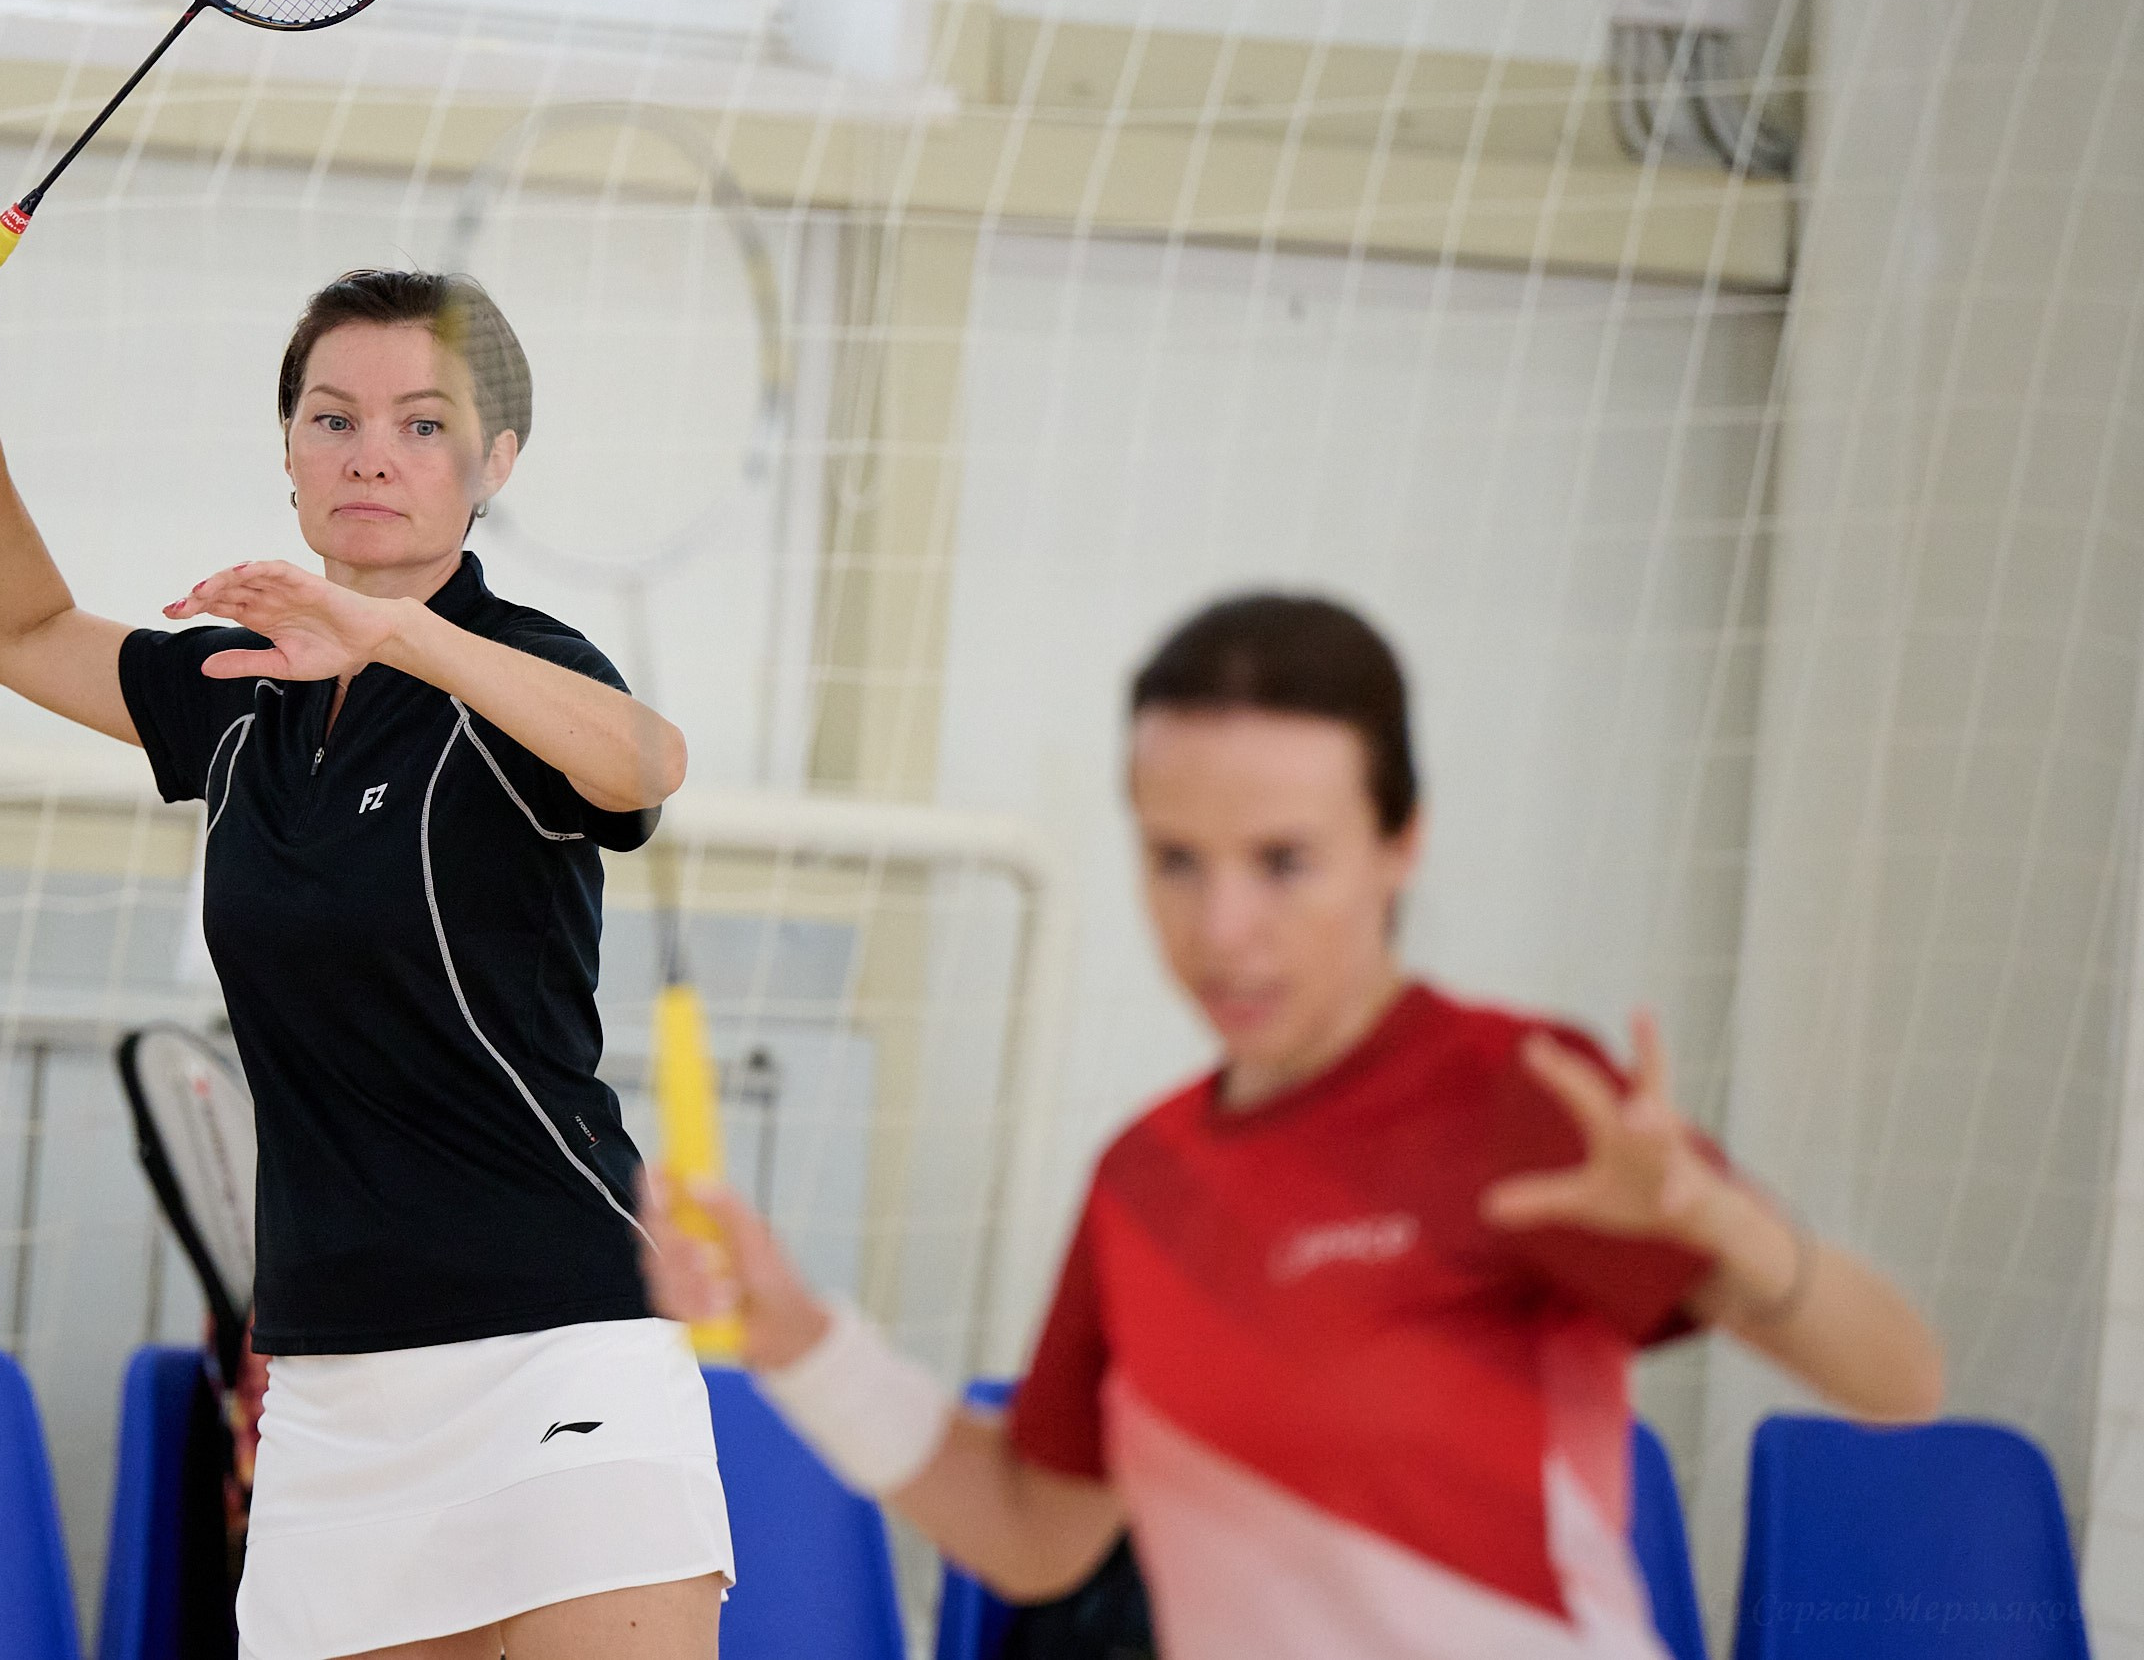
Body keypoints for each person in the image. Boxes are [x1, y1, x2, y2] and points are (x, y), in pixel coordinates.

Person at [642, 593, 1943, 1660]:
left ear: (1400, 843)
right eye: (1176, 859)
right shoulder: (1144, 1179)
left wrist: (1728, 1228)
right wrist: (792, 1332)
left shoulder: (1523, 1098)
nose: (1222, 929)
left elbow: (1902, 1382)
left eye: (1283, 861)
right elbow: (1035, 1529)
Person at [0, 238, 731, 1660]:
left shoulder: (517, 668)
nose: (372, 452)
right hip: (334, 1388)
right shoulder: (240, 695)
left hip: (562, 1347)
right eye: (333, 417)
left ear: (496, 463)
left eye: (425, 424)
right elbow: (23, 632)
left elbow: (647, 763)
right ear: (288, 452)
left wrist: (396, 636)